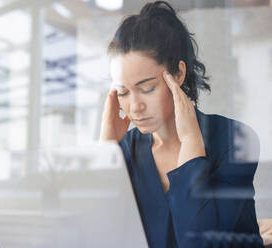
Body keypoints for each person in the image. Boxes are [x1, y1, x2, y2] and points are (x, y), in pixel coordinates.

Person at [99, 1, 264, 247]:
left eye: (146, 88)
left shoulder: (235, 139)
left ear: (178, 74)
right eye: (123, 92)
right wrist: (106, 150)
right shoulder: (125, 150)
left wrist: (190, 143)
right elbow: (102, 235)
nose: (134, 107)